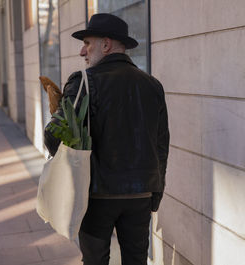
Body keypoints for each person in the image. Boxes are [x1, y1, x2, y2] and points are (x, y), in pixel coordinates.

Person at [43, 13, 169, 265]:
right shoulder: (152, 85)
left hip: (96, 196)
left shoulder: (82, 83)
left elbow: (53, 139)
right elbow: (161, 144)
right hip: (140, 195)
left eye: (87, 43)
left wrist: (57, 114)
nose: (82, 51)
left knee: (95, 260)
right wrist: (155, 194)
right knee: (136, 260)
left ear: (106, 44)